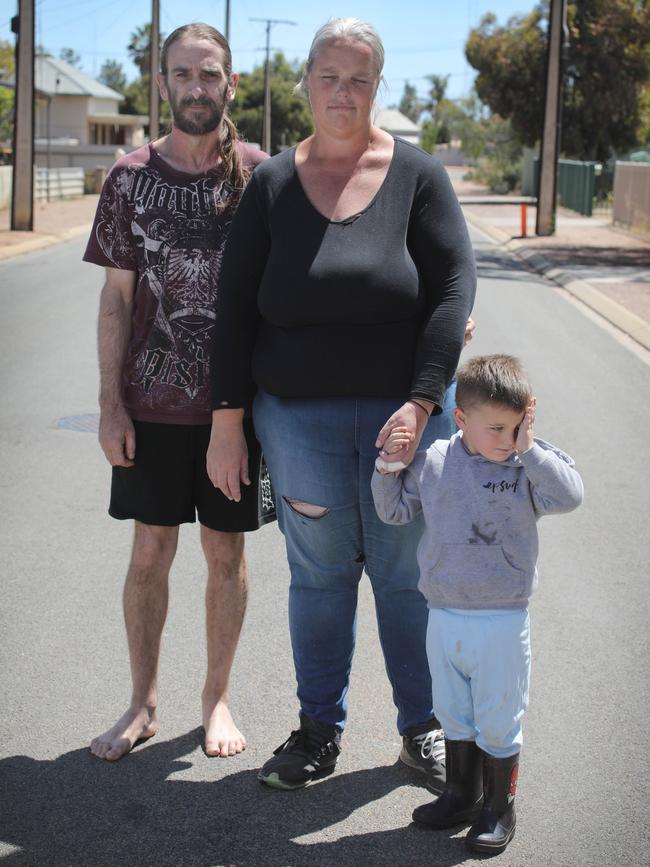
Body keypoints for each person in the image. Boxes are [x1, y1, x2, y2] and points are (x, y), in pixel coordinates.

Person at [206, 17, 476, 791]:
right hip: (299, 422)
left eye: (359, 78)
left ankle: (420, 729)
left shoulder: (418, 175)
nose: (342, 92)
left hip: (407, 424)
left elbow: (455, 288)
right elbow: (234, 308)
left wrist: (425, 403)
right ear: (306, 83)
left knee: (406, 578)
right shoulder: (273, 185)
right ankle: (318, 728)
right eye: (329, 75)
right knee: (320, 578)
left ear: (377, 87)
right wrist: (228, 422)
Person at [83, 23, 268, 761]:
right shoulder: (129, 176)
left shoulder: (259, 174)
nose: (198, 87)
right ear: (164, 84)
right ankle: (142, 700)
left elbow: (312, 274)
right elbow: (116, 302)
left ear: (231, 84)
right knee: (150, 551)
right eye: (183, 75)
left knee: (227, 554)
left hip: (238, 411)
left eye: (210, 74)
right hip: (151, 404)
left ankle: (216, 697)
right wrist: (109, 403)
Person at [372, 354, 583, 854]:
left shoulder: (526, 463)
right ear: (461, 419)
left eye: (515, 427)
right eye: (496, 429)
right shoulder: (435, 461)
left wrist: (529, 448)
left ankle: (498, 807)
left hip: (502, 619)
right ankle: (461, 795)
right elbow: (394, 510)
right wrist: (388, 466)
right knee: (454, 714)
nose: (506, 439)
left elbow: (571, 495)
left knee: (498, 715)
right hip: (444, 616)